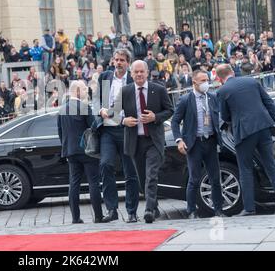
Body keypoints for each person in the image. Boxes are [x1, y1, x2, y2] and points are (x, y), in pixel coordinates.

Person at [216, 64, 275, 216]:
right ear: (232, 72)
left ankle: (249, 208)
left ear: (219, 78)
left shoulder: (222, 91)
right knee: (271, 167)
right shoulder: (251, 82)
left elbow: (224, 116)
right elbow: (268, 101)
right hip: (263, 127)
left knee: (245, 169)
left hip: (244, 132)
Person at [121, 60, 174, 223]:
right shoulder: (125, 91)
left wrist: (155, 117)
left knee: (151, 175)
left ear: (147, 72)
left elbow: (170, 110)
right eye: (135, 72)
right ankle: (155, 205)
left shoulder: (158, 89)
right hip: (135, 141)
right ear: (131, 74)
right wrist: (123, 120)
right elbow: (113, 113)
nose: (139, 75)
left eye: (141, 71)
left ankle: (149, 210)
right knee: (142, 177)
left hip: (153, 140)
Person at [93, 49, 140, 223]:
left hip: (127, 129)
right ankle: (112, 209)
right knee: (105, 165)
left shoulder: (132, 78)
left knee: (130, 171)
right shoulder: (105, 76)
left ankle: (132, 211)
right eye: (116, 60)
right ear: (113, 61)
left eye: (122, 60)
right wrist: (100, 109)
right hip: (107, 130)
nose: (118, 62)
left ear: (128, 62)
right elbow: (96, 98)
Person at [171, 70, 224, 219]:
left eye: (207, 79)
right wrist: (179, 140)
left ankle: (218, 209)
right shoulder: (186, 99)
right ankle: (191, 210)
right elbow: (175, 121)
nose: (206, 83)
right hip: (194, 144)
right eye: (203, 80)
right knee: (194, 178)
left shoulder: (212, 97)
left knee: (215, 177)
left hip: (211, 141)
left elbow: (217, 116)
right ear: (194, 83)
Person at [57, 80, 104, 224]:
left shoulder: (61, 110)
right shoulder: (84, 107)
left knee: (74, 184)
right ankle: (98, 216)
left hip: (70, 151)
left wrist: (66, 148)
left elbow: (61, 133)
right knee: (93, 183)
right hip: (87, 151)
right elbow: (94, 127)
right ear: (77, 91)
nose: (86, 92)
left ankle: (75, 218)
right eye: (84, 89)